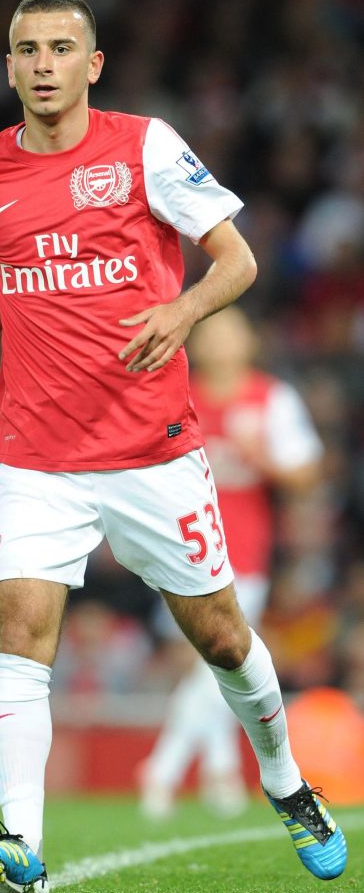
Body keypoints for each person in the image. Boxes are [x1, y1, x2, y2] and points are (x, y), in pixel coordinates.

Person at [0, 0, 346, 893]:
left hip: (153, 451)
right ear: (7, 66)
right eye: (26, 50)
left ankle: (285, 782)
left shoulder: (146, 147)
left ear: (93, 64)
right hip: (36, 455)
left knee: (225, 639)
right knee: (20, 634)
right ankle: (22, 845)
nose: (43, 66)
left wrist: (182, 308)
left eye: (59, 50)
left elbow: (234, 259)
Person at [139, 306, 324, 818]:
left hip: (244, 554)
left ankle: (165, 768)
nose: (220, 342)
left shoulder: (271, 398)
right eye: (210, 332)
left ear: (249, 341)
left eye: (229, 331)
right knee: (213, 667)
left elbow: (308, 474)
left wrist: (260, 456)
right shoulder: (177, 391)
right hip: (177, 547)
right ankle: (216, 772)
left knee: (221, 662)